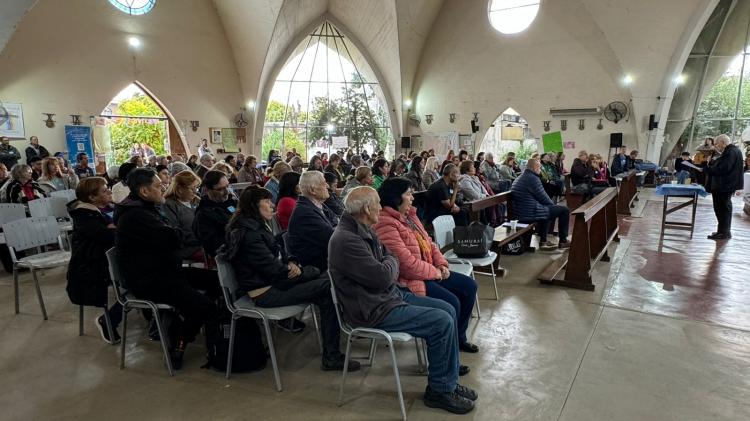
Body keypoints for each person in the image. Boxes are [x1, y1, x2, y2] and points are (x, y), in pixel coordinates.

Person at [329, 187, 477, 414]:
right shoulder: (346, 240)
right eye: (377, 203)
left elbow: (390, 260)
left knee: (448, 309)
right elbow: (383, 274)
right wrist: (390, 262)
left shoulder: (363, 229)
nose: (381, 207)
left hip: (387, 297)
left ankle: (449, 381)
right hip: (372, 309)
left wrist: (389, 262)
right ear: (367, 209)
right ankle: (439, 390)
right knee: (440, 321)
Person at [220, 186, 359, 372]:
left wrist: (292, 261)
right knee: (327, 284)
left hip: (274, 284)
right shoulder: (249, 234)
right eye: (267, 202)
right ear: (254, 205)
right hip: (266, 293)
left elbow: (280, 252)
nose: (272, 205)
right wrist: (302, 271)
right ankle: (335, 351)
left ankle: (333, 354)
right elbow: (274, 271)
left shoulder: (256, 225)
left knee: (327, 289)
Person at [114, 168, 219, 369]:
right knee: (204, 305)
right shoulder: (136, 216)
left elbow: (173, 236)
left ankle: (193, 324)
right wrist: (193, 233)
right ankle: (178, 344)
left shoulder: (147, 209)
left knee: (216, 282)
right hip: (149, 279)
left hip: (166, 270)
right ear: (144, 191)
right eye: (157, 185)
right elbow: (172, 238)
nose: (163, 188)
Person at [374, 177, 479, 354]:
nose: (413, 197)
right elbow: (406, 265)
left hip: (430, 271)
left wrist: (442, 264)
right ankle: (448, 352)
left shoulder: (409, 217)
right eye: (408, 194)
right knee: (451, 303)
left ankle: (459, 338)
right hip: (411, 280)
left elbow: (429, 243)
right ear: (395, 198)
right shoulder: (385, 223)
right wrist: (436, 273)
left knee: (469, 286)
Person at [66, 177, 123, 344]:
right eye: (105, 190)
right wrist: (113, 229)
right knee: (138, 280)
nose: (110, 192)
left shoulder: (97, 211)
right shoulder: (84, 216)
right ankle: (108, 320)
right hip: (90, 266)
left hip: (102, 259)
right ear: (92, 197)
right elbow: (106, 235)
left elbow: (111, 229)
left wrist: (113, 228)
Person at [511, 159, 570, 250]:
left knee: (547, 210)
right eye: (539, 167)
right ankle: (563, 241)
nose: (540, 169)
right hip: (529, 212)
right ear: (534, 167)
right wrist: (552, 206)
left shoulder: (521, 176)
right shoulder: (532, 178)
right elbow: (544, 198)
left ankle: (544, 241)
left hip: (522, 211)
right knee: (564, 210)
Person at [287, 171, 338, 271]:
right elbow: (333, 238)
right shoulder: (304, 213)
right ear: (312, 190)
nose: (327, 186)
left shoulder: (318, 204)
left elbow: (336, 220)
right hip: (319, 267)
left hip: (330, 259)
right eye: (324, 183)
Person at [703, 134, 744, 240]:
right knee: (723, 209)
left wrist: (707, 169)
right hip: (726, 185)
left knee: (722, 209)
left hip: (724, 185)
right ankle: (723, 231)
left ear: (723, 142)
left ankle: (724, 233)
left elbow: (723, 168)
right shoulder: (734, 151)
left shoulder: (730, 152)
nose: (716, 146)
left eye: (717, 143)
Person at [193, 170, 237, 258]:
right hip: (230, 255)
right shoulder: (203, 215)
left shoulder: (232, 202)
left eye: (227, 186)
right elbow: (214, 246)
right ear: (207, 190)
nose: (227, 192)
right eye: (220, 189)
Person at [162, 170, 203, 261]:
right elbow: (176, 233)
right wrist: (202, 238)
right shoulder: (169, 205)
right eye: (192, 188)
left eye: (197, 187)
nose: (195, 191)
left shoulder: (195, 200)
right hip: (187, 248)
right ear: (180, 189)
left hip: (201, 242)